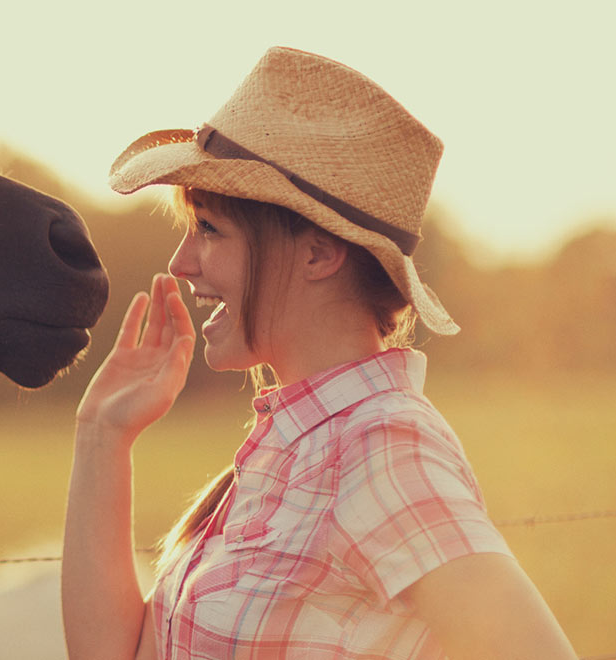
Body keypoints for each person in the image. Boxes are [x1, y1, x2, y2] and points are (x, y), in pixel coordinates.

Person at [61, 47, 576, 659]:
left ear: (318, 254)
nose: (181, 263)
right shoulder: (292, 447)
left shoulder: (383, 448)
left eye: (210, 229)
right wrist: (101, 434)